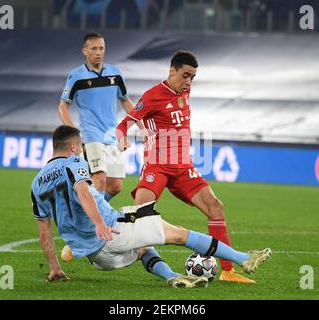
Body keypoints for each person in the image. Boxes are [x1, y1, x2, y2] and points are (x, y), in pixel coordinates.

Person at [31, 125, 271, 286]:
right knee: (178, 233)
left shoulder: (36, 184)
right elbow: (83, 192)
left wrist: (54, 267)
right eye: (80, 145)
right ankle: (243, 259)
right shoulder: (74, 163)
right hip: (111, 232)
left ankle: (174, 277)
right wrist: (99, 224)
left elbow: (44, 232)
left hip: (97, 257)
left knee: (144, 247)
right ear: (73, 147)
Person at [116, 50, 256, 283]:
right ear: (171, 71)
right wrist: (122, 138)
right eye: (185, 76)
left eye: (192, 77)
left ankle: (228, 272)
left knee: (215, 207)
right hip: (157, 166)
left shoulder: (185, 89)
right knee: (140, 219)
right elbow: (124, 124)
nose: (188, 82)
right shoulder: (152, 96)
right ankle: (95, 243)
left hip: (183, 168)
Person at [58, 32, 144, 202]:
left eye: (101, 48)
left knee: (115, 186)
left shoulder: (115, 74)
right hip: (91, 135)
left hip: (112, 136)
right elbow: (62, 106)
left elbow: (125, 101)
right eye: (94, 48)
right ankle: (92, 223)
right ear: (84, 51)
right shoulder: (76, 76)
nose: (98, 52)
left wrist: (142, 127)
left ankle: (85, 211)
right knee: (100, 180)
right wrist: (73, 133)